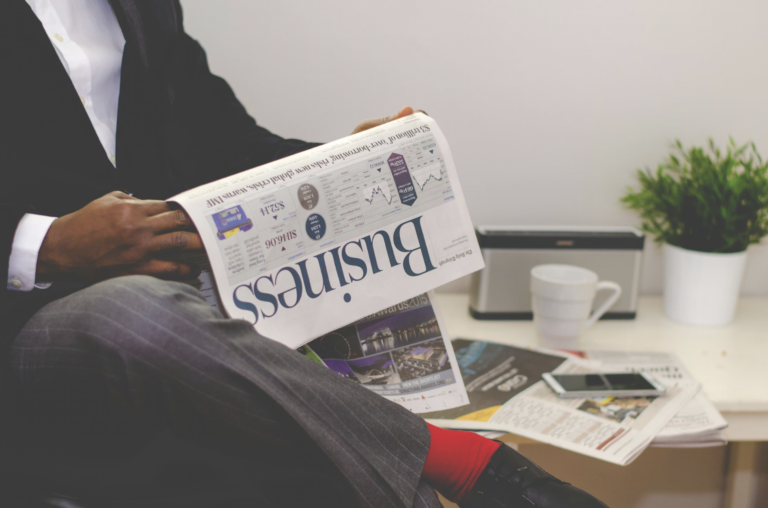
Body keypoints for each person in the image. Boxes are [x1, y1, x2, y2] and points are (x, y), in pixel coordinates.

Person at [1, 1, 610, 507]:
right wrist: (45, 247)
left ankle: (466, 478)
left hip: (188, 326)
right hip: (34, 333)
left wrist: (343, 163)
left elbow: (222, 145)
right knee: (131, 312)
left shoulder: (143, 6)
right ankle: (477, 466)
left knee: (307, 455)